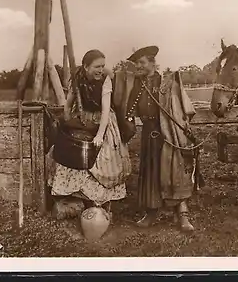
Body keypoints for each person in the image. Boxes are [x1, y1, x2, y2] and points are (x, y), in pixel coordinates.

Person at [112, 46, 199, 232]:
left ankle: (182, 213)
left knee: (174, 170)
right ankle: (151, 212)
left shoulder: (168, 83)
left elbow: (181, 108)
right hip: (149, 134)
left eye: (142, 62)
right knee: (151, 171)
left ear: (152, 63)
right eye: (137, 63)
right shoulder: (136, 84)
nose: (139, 66)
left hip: (169, 133)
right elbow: (127, 107)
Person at [46, 49, 131, 212]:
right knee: (73, 154)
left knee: (102, 159)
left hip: (103, 121)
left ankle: (101, 200)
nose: (100, 70)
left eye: (102, 66)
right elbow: (68, 103)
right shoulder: (77, 78)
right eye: (96, 67)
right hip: (84, 118)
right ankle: (77, 196)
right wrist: (68, 120)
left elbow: (106, 110)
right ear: (86, 67)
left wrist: (100, 134)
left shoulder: (105, 80)